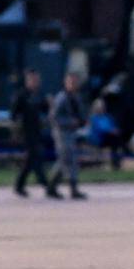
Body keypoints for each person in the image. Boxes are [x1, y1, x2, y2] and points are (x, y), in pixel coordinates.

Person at [46, 72, 87, 200]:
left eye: (75, 82)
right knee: (66, 159)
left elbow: (80, 113)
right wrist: (70, 122)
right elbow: (53, 117)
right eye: (71, 82)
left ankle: (54, 187)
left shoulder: (76, 97)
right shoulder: (61, 98)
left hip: (72, 133)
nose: (73, 85)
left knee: (67, 160)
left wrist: (82, 121)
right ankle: (68, 188)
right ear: (66, 83)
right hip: (61, 132)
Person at [10, 68, 49, 197]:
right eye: (32, 79)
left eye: (37, 79)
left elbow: (46, 109)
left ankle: (20, 185)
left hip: (36, 130)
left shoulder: (40, 94)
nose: (35, 82)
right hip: (25, 131)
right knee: (33, 156)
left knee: (32, 158)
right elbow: (13, 114)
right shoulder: (21, 95)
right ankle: (45, 183)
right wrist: (17, 129)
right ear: (27, 80)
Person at [87, 96, 123, 170]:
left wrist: (114, 130)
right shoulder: (94, 117)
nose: (102, 108)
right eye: (100, 106)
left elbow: (113, 126)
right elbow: (100, 129)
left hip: (109, 138)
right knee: (114, 139)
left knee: (115, 139)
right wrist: (111, 131)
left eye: (103, 106)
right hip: (98, 138)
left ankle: (115, 161)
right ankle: (115, 162)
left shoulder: (108, 116)